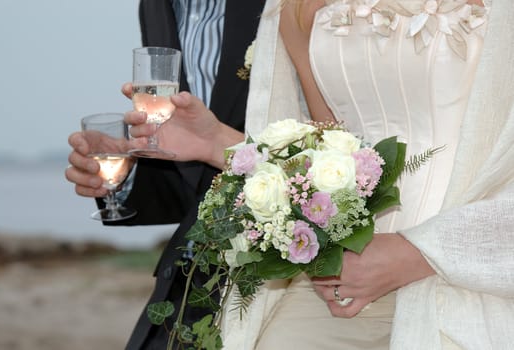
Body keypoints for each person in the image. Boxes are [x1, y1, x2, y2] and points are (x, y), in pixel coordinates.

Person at [126, 0, 514, 348]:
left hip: (483, 276)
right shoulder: (297, 8)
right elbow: (331, 152)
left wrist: (422, 252)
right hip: (344, 281)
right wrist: (217, 143)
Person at [65, 0, 265, 349]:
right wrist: (123, 175)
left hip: (281, 275)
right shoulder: (155, 7)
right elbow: (195, 180)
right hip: (189, 279)